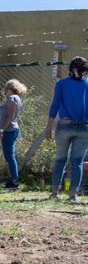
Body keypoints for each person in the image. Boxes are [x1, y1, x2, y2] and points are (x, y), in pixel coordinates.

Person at [45, 56, 88, 202]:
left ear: (71, 69)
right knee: (77, 161)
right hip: (84, 127)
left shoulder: (61, 83)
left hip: (65, 126)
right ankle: (73, 195)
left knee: (60, 159)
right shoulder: (87, 84)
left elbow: (55, 106)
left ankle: (55, 192)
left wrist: (49, 127)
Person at [0, 79, 28, 190]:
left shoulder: (12, 98)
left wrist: (0, 130)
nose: (4, 90)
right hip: (9, 129)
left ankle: (14, 182)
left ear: (9, 88)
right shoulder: (15, 98)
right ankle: (13, 179)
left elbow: (10, 116)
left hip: (9, 131)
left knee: (10, 156)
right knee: (9, 156)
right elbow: (8, 115)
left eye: (5, 88)